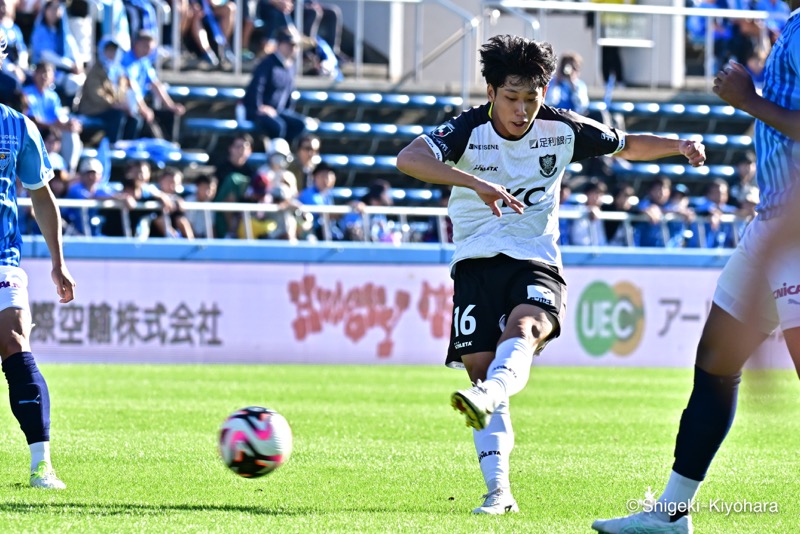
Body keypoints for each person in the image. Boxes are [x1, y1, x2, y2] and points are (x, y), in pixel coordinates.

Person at [395, 34, 706, 516]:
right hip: (476, 262)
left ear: (545, 93)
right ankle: (499, 493)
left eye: (531, 99)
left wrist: (679, 145)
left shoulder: (563, 129)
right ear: (492, 92)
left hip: (535, 258)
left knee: (524, 330)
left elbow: (626, 145)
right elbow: (409, 158)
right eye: (511, 98)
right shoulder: (467, 130)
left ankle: (492, 393)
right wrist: (475, 182)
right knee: (480, 366)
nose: (522, 110)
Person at [592, 4, 799, 532]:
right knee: (715, 364)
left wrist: (749, 100)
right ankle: (671, 514)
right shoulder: (790, 26)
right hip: (771, 224)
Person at [0, 29, 76, 490]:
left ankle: (41, 463)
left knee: (13, 339)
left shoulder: (17, 126)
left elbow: (42, 197)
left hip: (2, 256)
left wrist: (57, 261)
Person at [242, 26, 308, 145]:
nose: (293, 48)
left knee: (300, 124)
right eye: (290, 44)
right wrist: (259, 107)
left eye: (295, 45)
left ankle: (285, 153)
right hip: (260, 111)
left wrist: (288, 111)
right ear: (280, 44)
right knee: (278, 126)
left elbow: (289, 92)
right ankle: (274, 157)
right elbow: (256, 87)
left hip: (278, 111)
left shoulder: (291, 66)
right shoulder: (267, 63)